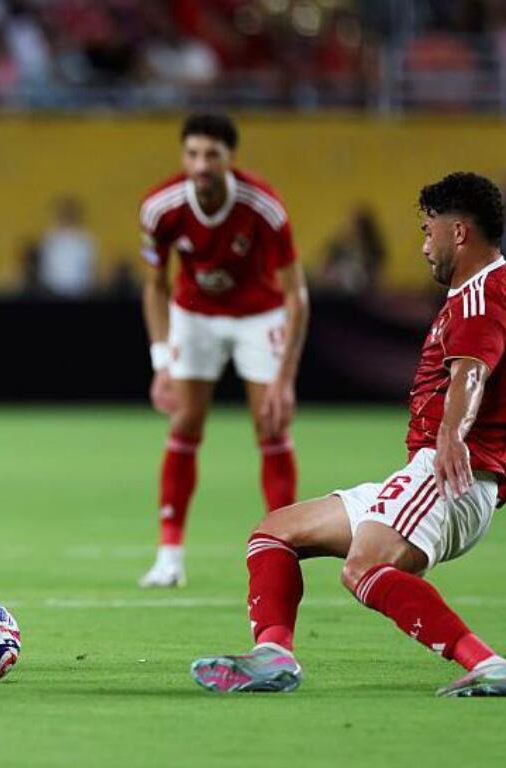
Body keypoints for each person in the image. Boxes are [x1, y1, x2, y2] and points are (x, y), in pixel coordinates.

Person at [190, 172, 506, 697]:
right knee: (275, 533)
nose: (425, 246)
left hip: (447, 474)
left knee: (363, 569)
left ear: (460, 232)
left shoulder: (479, 299)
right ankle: (273, 655)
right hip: (454, 477)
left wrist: (452, 435)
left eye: (428, 231)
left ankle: (490, 665)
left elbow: (471, 374)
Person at [137, 113, 309, 588]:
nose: (201, 164)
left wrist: (285, 379)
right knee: (185, 423)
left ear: (231, 159)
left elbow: (298, 295)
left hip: (260, 315)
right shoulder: (161, 208)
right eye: (192, 153)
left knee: (271, 424)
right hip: (194, 315)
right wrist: (161, 362)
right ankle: (169, 557)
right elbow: (154, 287)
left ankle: (283, 550)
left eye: (212, 154)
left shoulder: (264, 207)